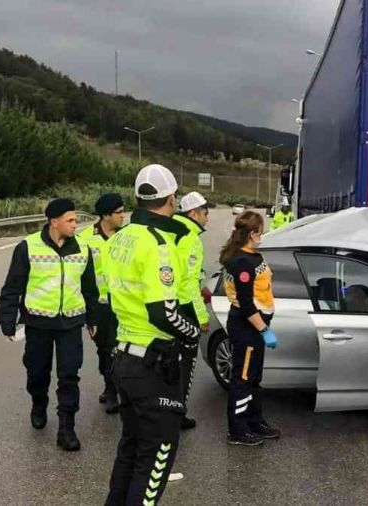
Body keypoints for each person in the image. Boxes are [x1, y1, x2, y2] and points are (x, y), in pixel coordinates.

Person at [104, 164, 201, 506]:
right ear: (172, 198)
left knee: (130, 447)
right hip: (152, 364)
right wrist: (191, 334)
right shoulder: (158, 245)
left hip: (124, 358)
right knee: (157, 452)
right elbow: (163, 313)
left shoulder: (121, 237)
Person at [0, 198, 99, 452]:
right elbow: (12, 287)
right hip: (38, 323)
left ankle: (67, 427)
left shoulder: (82, 248)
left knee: (69, 374)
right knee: (37, 372)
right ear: (54, 222)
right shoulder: (27, 247)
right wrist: (7, 320)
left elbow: (90, 288)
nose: (76, 224)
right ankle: (38, 402)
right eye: (70, 220)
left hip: (70, 323)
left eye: (76, 219)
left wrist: (93, 318)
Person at [221, 211, 280, 446]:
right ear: (252, 234)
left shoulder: (250, 256)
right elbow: (246, 304)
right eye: (260, 231)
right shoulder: (242, 262)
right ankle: (238, 429)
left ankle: (255, 421)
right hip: (247, 328)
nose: (262, 235)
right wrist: (264, 329)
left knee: (254, 378)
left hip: (254, 328)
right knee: (242, 380)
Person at [78, 193, 127, 414]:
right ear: (106, 215)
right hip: (100, 305)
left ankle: (120, 388)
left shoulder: (128, 236)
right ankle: (110, 390)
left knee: (124, 348)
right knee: (105, 349)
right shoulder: (85, 238)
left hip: (125, 302)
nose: (123, 215)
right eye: (119, 212)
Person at [172, 191, 211, 430]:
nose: (208, 218)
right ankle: (178, 412)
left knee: (167, 363)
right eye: (205, 213)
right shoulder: (191, 238)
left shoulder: (170, 231)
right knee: (185, 364)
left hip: (164, 305)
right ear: (193, 213)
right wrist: (202, 316)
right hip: (184, 308)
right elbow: (189, 282)